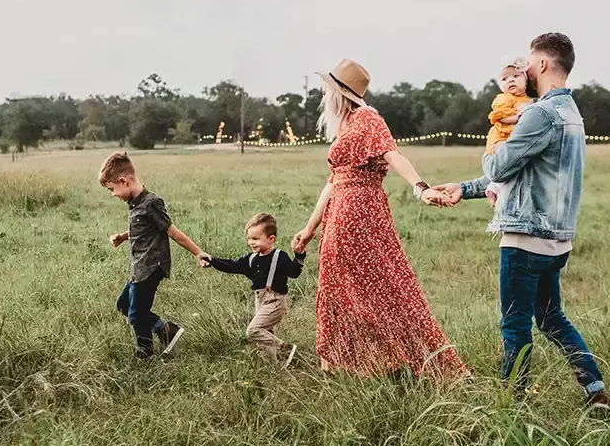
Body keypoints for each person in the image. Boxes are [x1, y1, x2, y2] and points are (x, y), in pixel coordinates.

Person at [435, 34, 609, 404]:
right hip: (557, 239)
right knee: (551, 319)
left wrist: (492, 146)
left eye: (529, 62)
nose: (524, 69)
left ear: (543, 65)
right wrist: (464, 189)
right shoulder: (571, 114)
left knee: (515, 325)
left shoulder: (540, 113)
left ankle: (512, 404)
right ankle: (595, 389)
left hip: (525, 238)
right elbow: (523, 173)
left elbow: (500, 165)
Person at [292, 59, 467, 379]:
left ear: (339, 92)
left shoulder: (367, 119)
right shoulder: (346, 125)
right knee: (338, 289)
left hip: (360, 214)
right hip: (340, 215)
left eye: (326, 88)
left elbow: (393, 154)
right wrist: (309, 228)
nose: (321, 93)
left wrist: (421, 188)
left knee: (384, 287)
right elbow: (333, 182)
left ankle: (393, 360)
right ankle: (347, 365)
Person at [100, 152, 211, 358]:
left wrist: (198, 253)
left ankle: (146, 353)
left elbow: (173, 232)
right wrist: (124, 237)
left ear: (123, 181)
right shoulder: (135, 203)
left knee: (136, 314)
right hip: (139, 267)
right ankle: (165, 330)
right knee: (123, 304)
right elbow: (143, 228)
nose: (112, 194)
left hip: (151, 267)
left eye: (112, 189)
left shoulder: (151, 203)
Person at [205, 213, 305, 366]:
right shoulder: (251, 259)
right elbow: (232, 265)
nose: (251, 242)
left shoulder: (279, 256)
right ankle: (274, 366)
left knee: (254, 330)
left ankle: (285, 348)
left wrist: (299, 256)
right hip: (260, 300)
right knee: (266, 335)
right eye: (249, 239)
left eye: (256, 239)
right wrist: (212, 260)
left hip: (275, 301)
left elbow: (294, 273)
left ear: (271, 239)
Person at [484, 59, 532, 207]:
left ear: (526, 79)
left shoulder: (528, 99)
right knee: (508, 159)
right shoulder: (503, 98)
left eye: (516, 76)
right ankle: (495, 188)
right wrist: (517, 117)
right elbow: (501, 116)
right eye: (505, 79)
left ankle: (494, 188)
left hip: (512, 136)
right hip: (501, 136)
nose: (510, 80)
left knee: (514, 164)